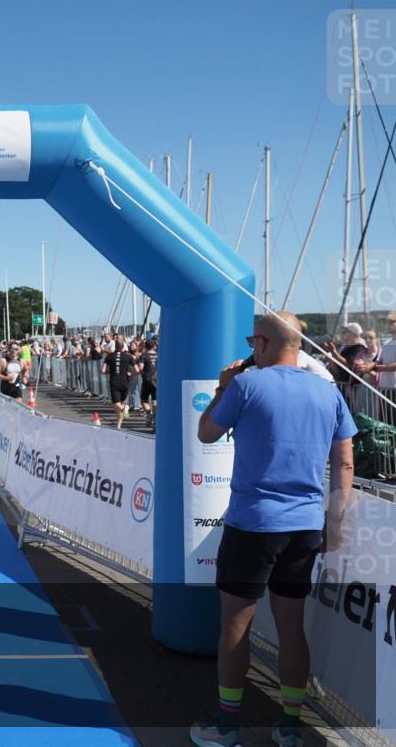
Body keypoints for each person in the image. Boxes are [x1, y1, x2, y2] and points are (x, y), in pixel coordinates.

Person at [190, 311, 356, 747]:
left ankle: (227, 727)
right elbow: (343, 464)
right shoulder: (328, 392)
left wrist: (223, 385)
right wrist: (333, 525)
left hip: (253, 524)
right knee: (290, 626)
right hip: (304, 525)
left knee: (235, 625)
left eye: (252, 342)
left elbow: (206, 433)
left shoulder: (246, 385)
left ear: (262, 344)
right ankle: (289, 727)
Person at [101, 338, 137, 429]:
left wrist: (110, 371)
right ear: (123, 346)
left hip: (114, 382)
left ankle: (125, 406)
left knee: (117, 405)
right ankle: (119, 425)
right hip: (125, 382)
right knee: (119, 405)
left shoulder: (109, 356)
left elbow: (103, 370)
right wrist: (130, 374)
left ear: (115, 346)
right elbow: (137, 369)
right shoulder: (128, 356)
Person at [140, 338, 159, 429]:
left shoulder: (143, 355)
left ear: (145, 346)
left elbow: (141, 367)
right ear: (154, 346)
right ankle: (155, 420)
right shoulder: (158, 355)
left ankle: (148, 413)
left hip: (147, 379)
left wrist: (141, 373)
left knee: (144, 399)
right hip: (156, 380)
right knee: (155, 400)